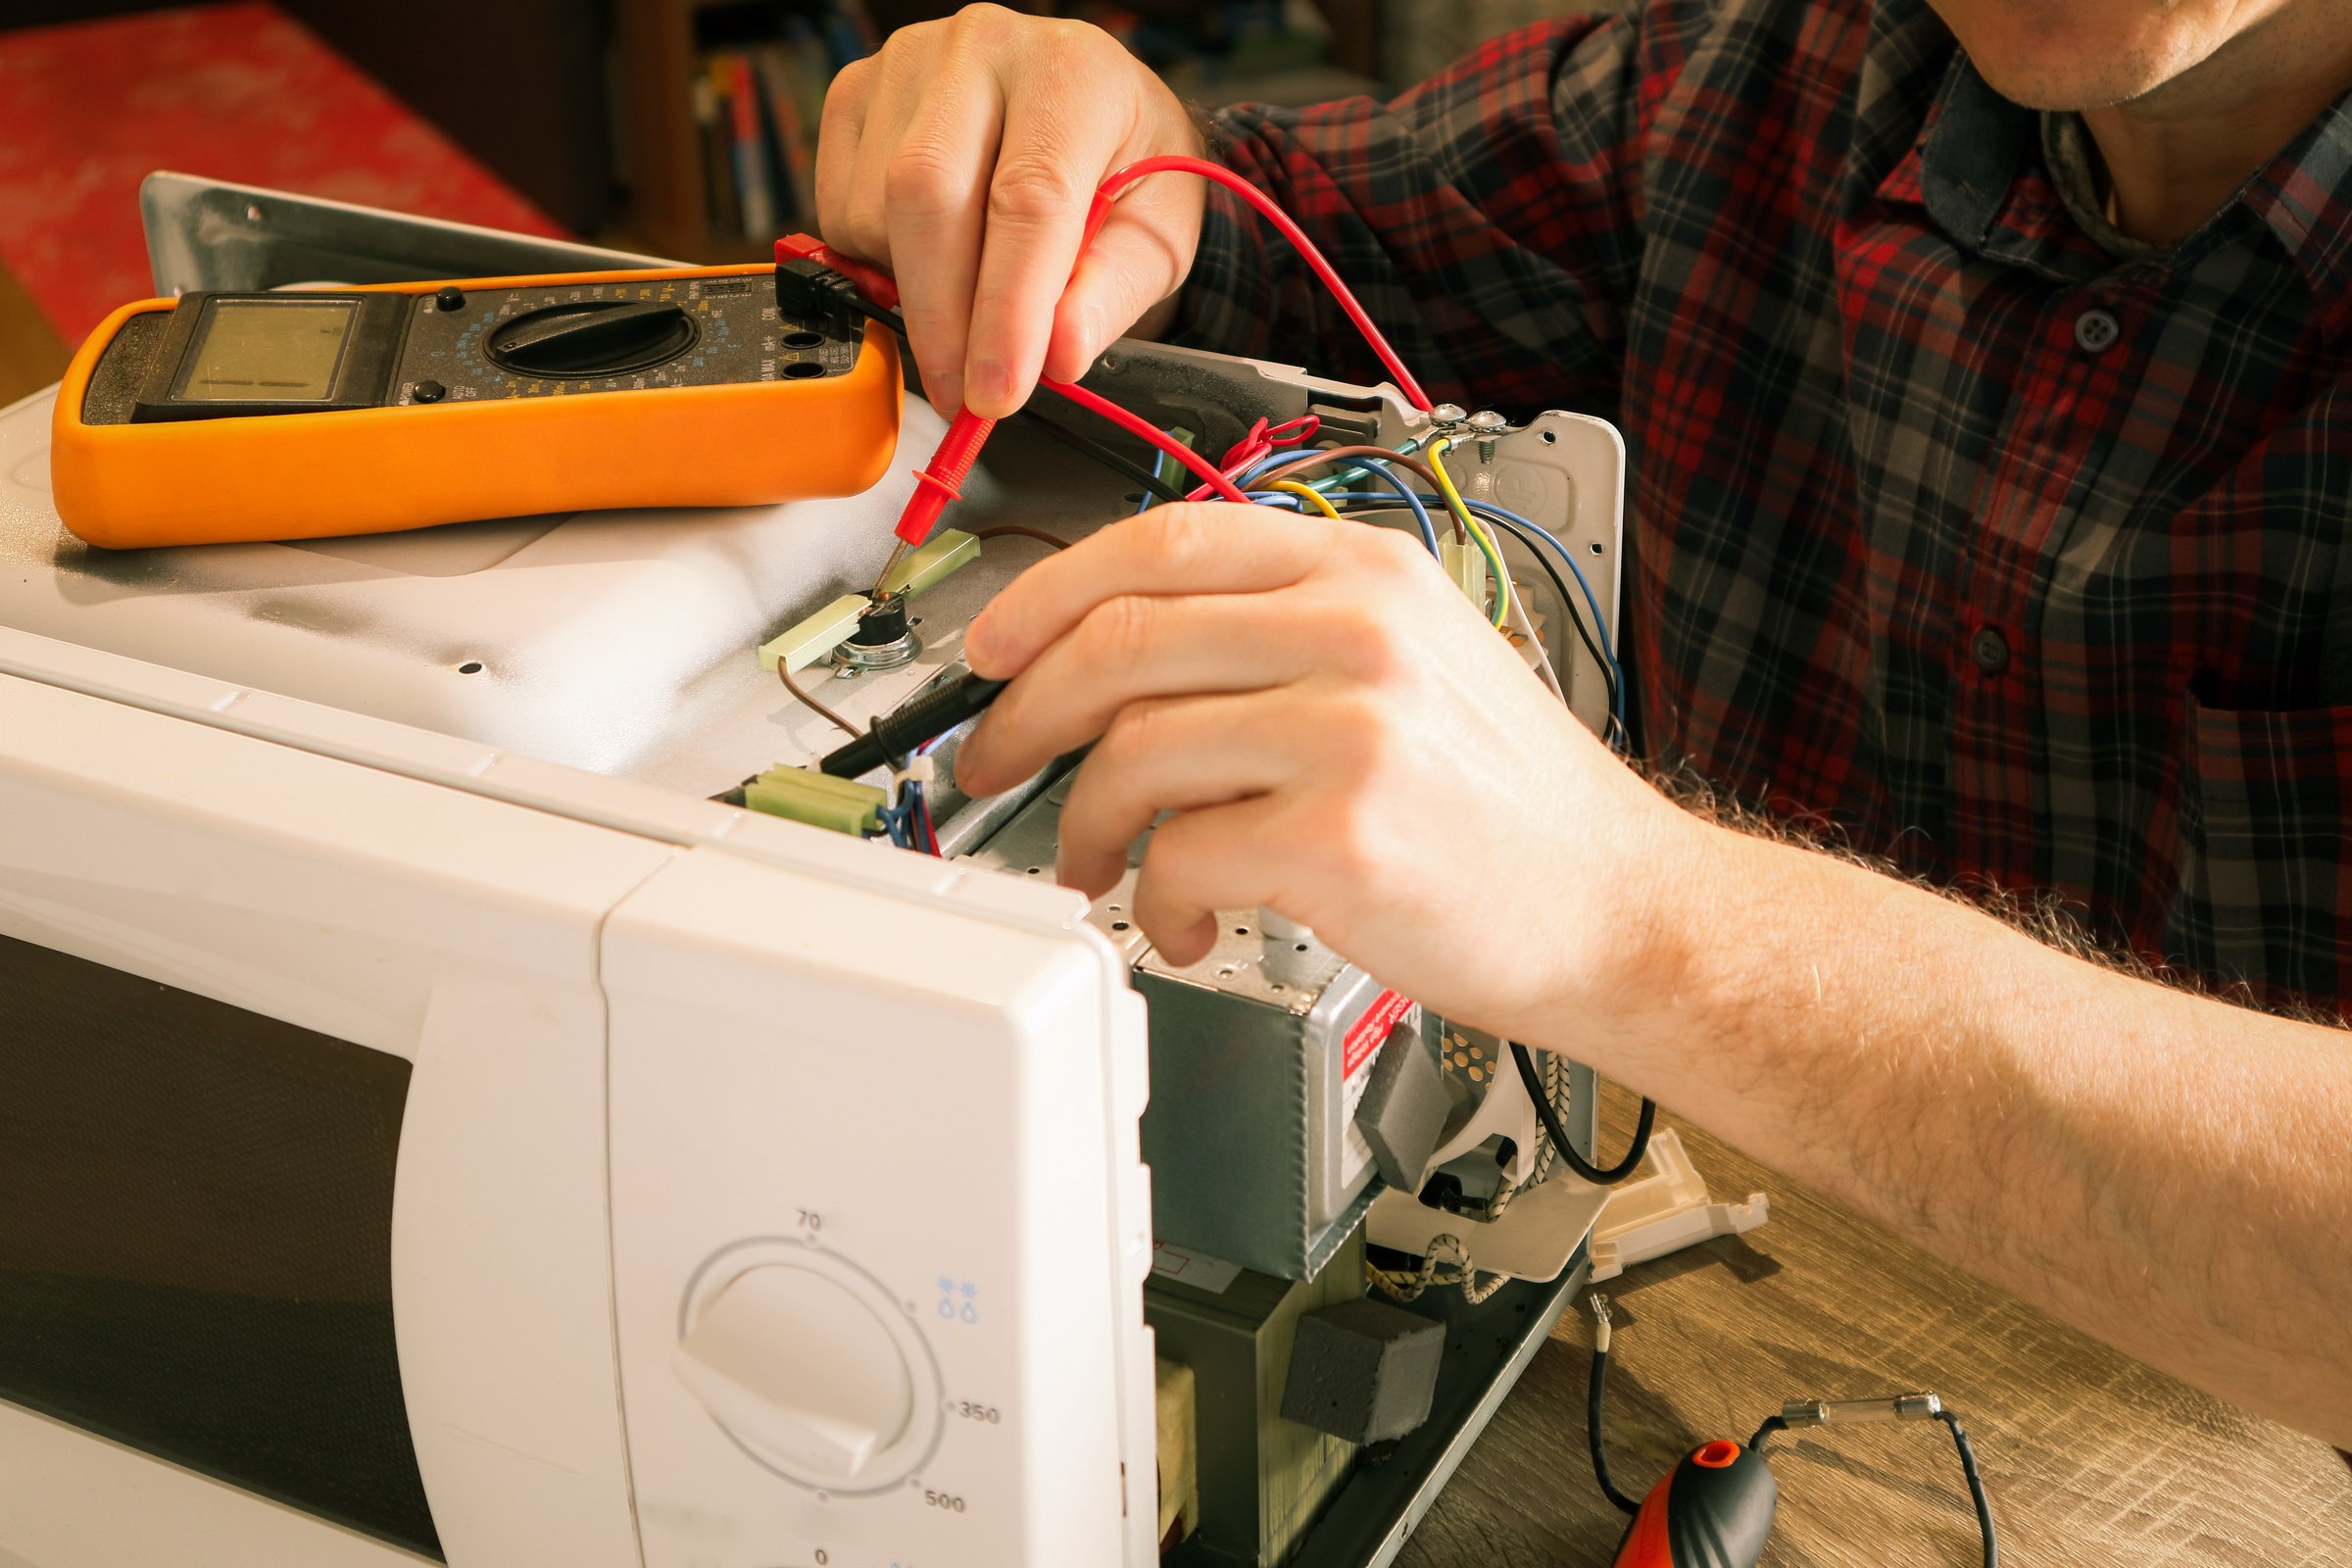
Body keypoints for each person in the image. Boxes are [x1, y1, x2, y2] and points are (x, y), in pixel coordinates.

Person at [813, 0, 2352, 1448]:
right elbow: (1254, 232)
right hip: (1684, 1334)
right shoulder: (1760, 82)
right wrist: (1094, 143)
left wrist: (1642, 918)